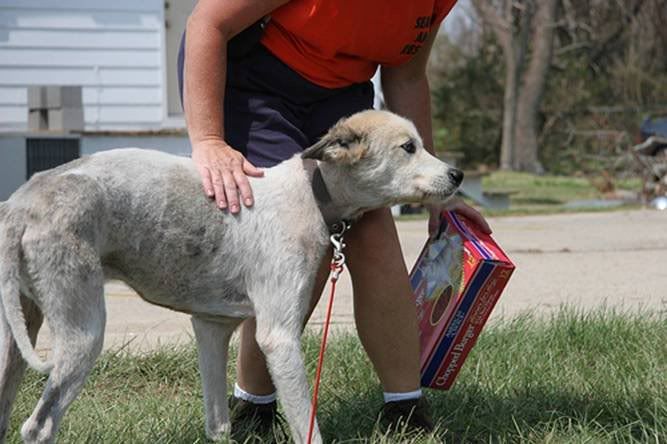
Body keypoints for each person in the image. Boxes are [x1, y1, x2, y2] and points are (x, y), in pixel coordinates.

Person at [178, 0, 491, 437]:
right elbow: (207, 23)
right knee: (301, 236)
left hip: (340, 95)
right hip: (256, 83)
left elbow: (406, 73)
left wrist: (432, 184)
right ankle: (254, 407)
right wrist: (209, 139)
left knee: (374, 232)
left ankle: (406, 413)